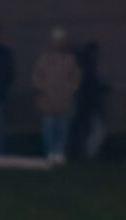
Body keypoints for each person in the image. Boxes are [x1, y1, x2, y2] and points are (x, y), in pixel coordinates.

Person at [32, 27, 81, 165]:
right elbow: (36, 76)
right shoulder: (44, 58)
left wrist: (69, 89)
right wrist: (44, 87)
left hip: (64, 100)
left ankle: (59, 153)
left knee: (62, 128)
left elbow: (76, 77)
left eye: (60, 41)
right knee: (48, 127)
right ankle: (51, 152)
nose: (58, 43)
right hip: (48, 100)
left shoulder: (70, 59)